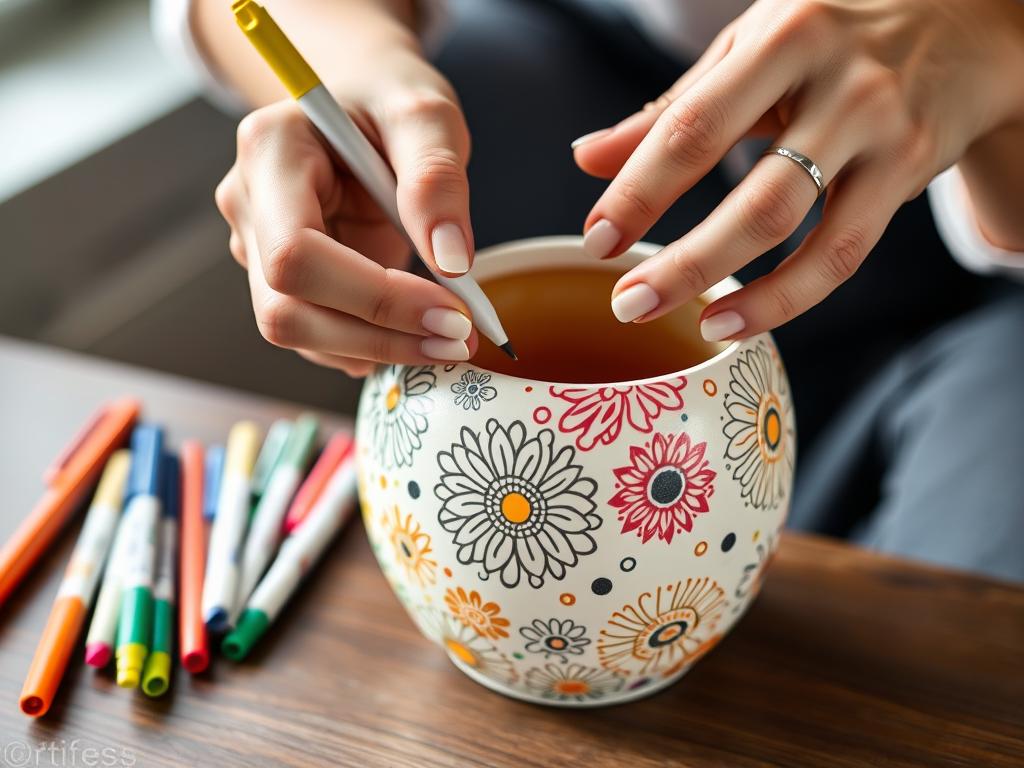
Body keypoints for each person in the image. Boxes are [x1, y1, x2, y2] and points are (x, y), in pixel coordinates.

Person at [153, 0, 1024, 582]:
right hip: (588, 85)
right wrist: (361, 77)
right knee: (463, 126)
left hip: (985, 203)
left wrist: (993, 38)